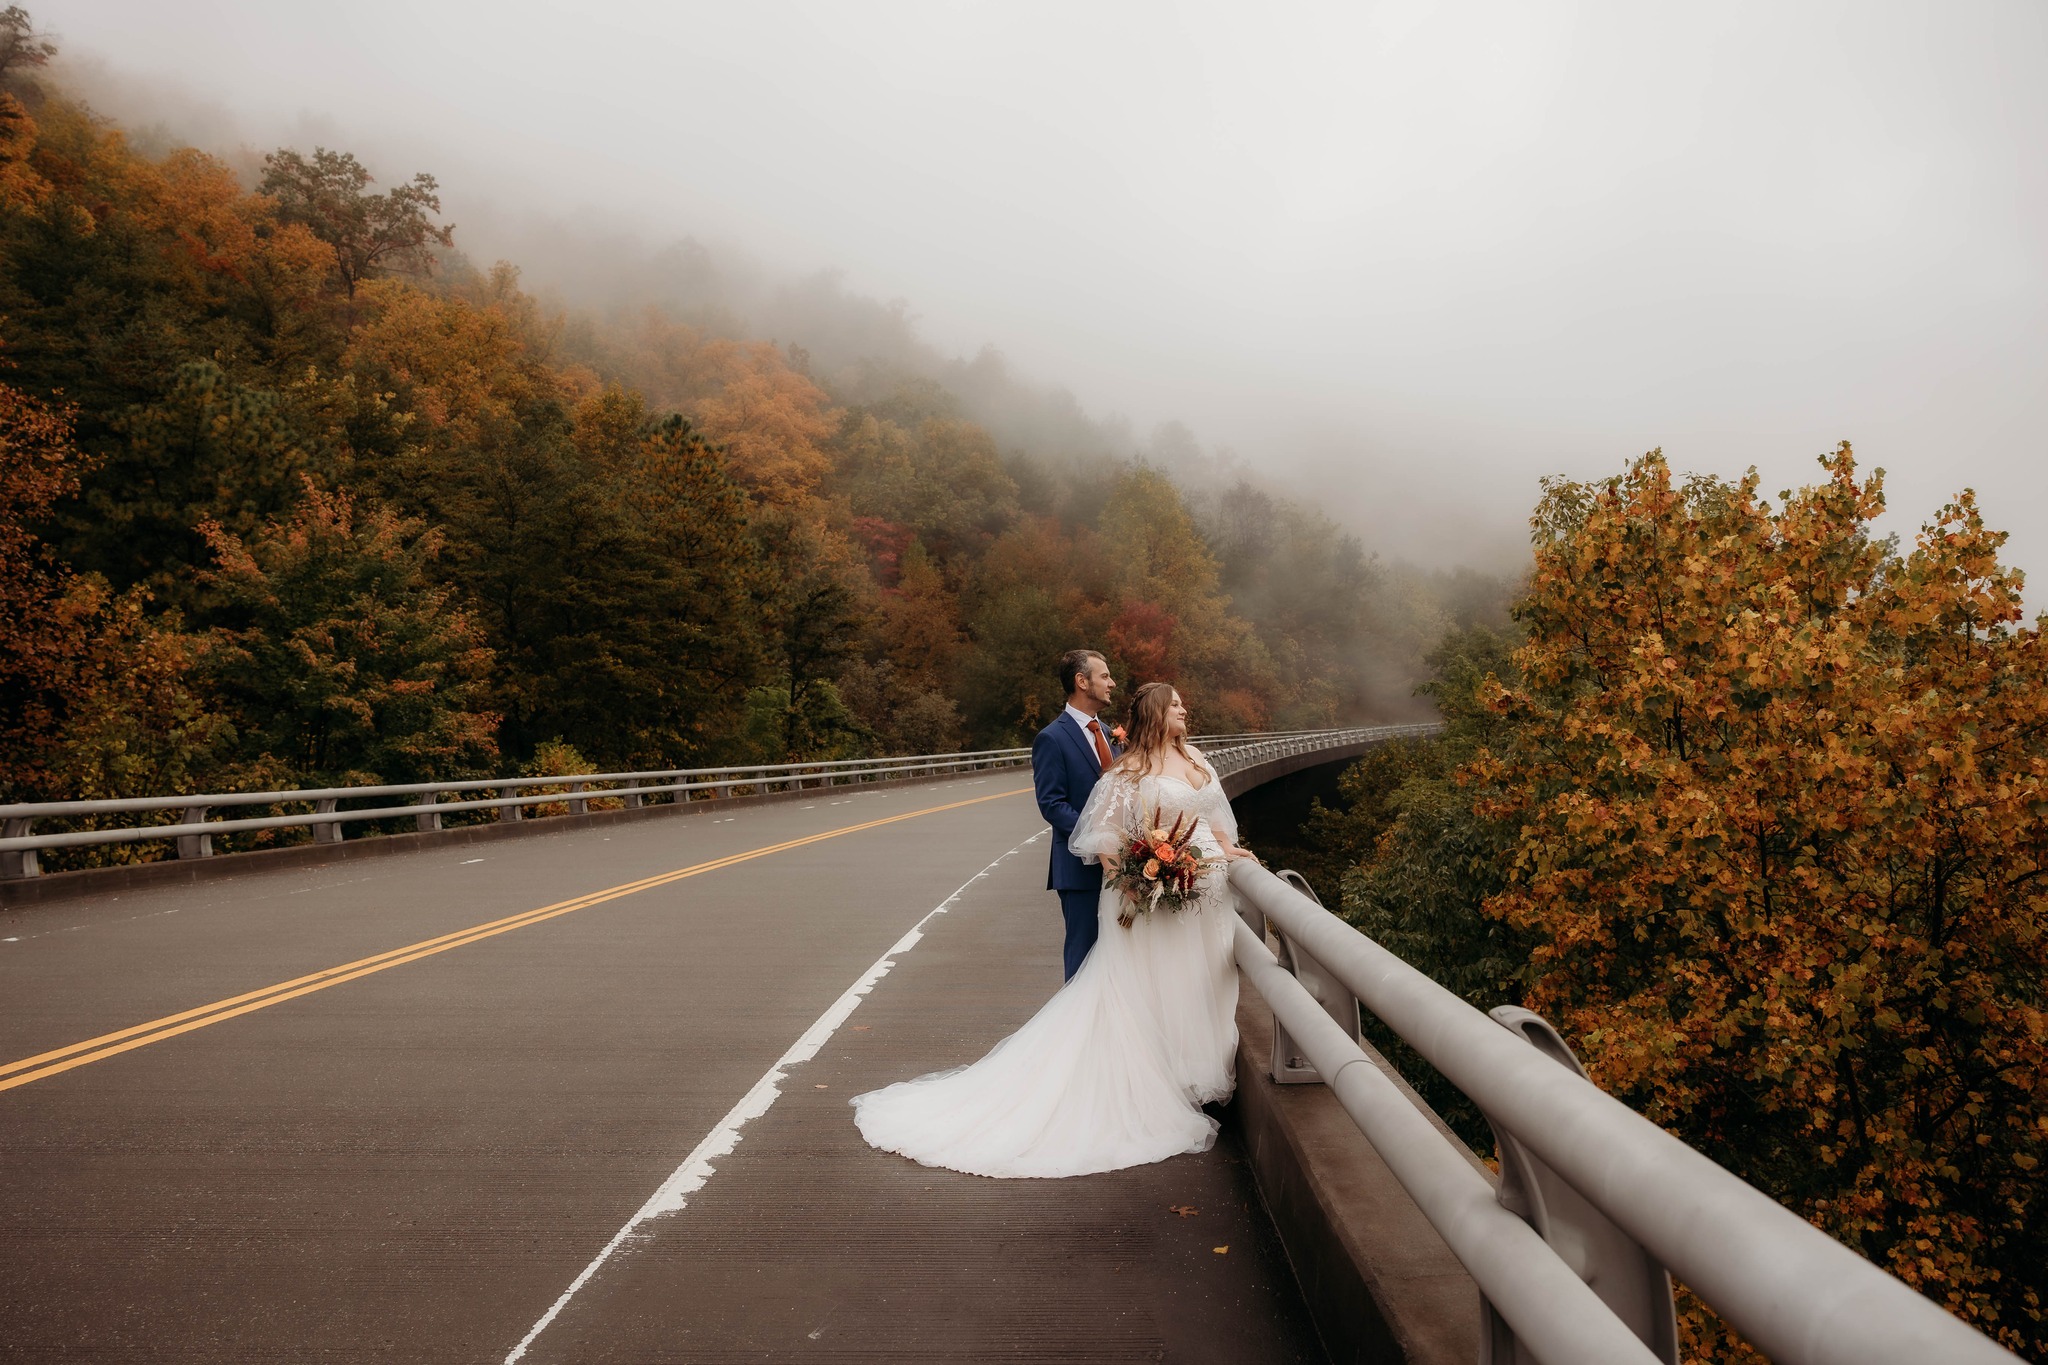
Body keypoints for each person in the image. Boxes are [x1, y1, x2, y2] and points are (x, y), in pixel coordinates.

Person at [850, 682, 1258, 1179]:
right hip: (1151, 896)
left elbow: (1215, 817)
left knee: (1194, 980)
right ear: (1155, 712)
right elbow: (1101, 836)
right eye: (1175, 704)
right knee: (1152, 985)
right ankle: (1159, 1083)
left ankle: (1188, 1077)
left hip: (1204, 891)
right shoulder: (1128, 770)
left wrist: (1225, 848)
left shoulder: (1196, 756)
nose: (1184, 709)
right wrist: (1134, 876)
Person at [1031, 648, 1121, 980]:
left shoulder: (1112, 734)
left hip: (1124, 865)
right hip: (1079, 866)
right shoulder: (1051, 738)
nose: (1112, 683)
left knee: (1119, 950)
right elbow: (1052, 804)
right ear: (1082, 682)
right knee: (1083, 953)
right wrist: (1097, 840)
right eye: (1105, 676)